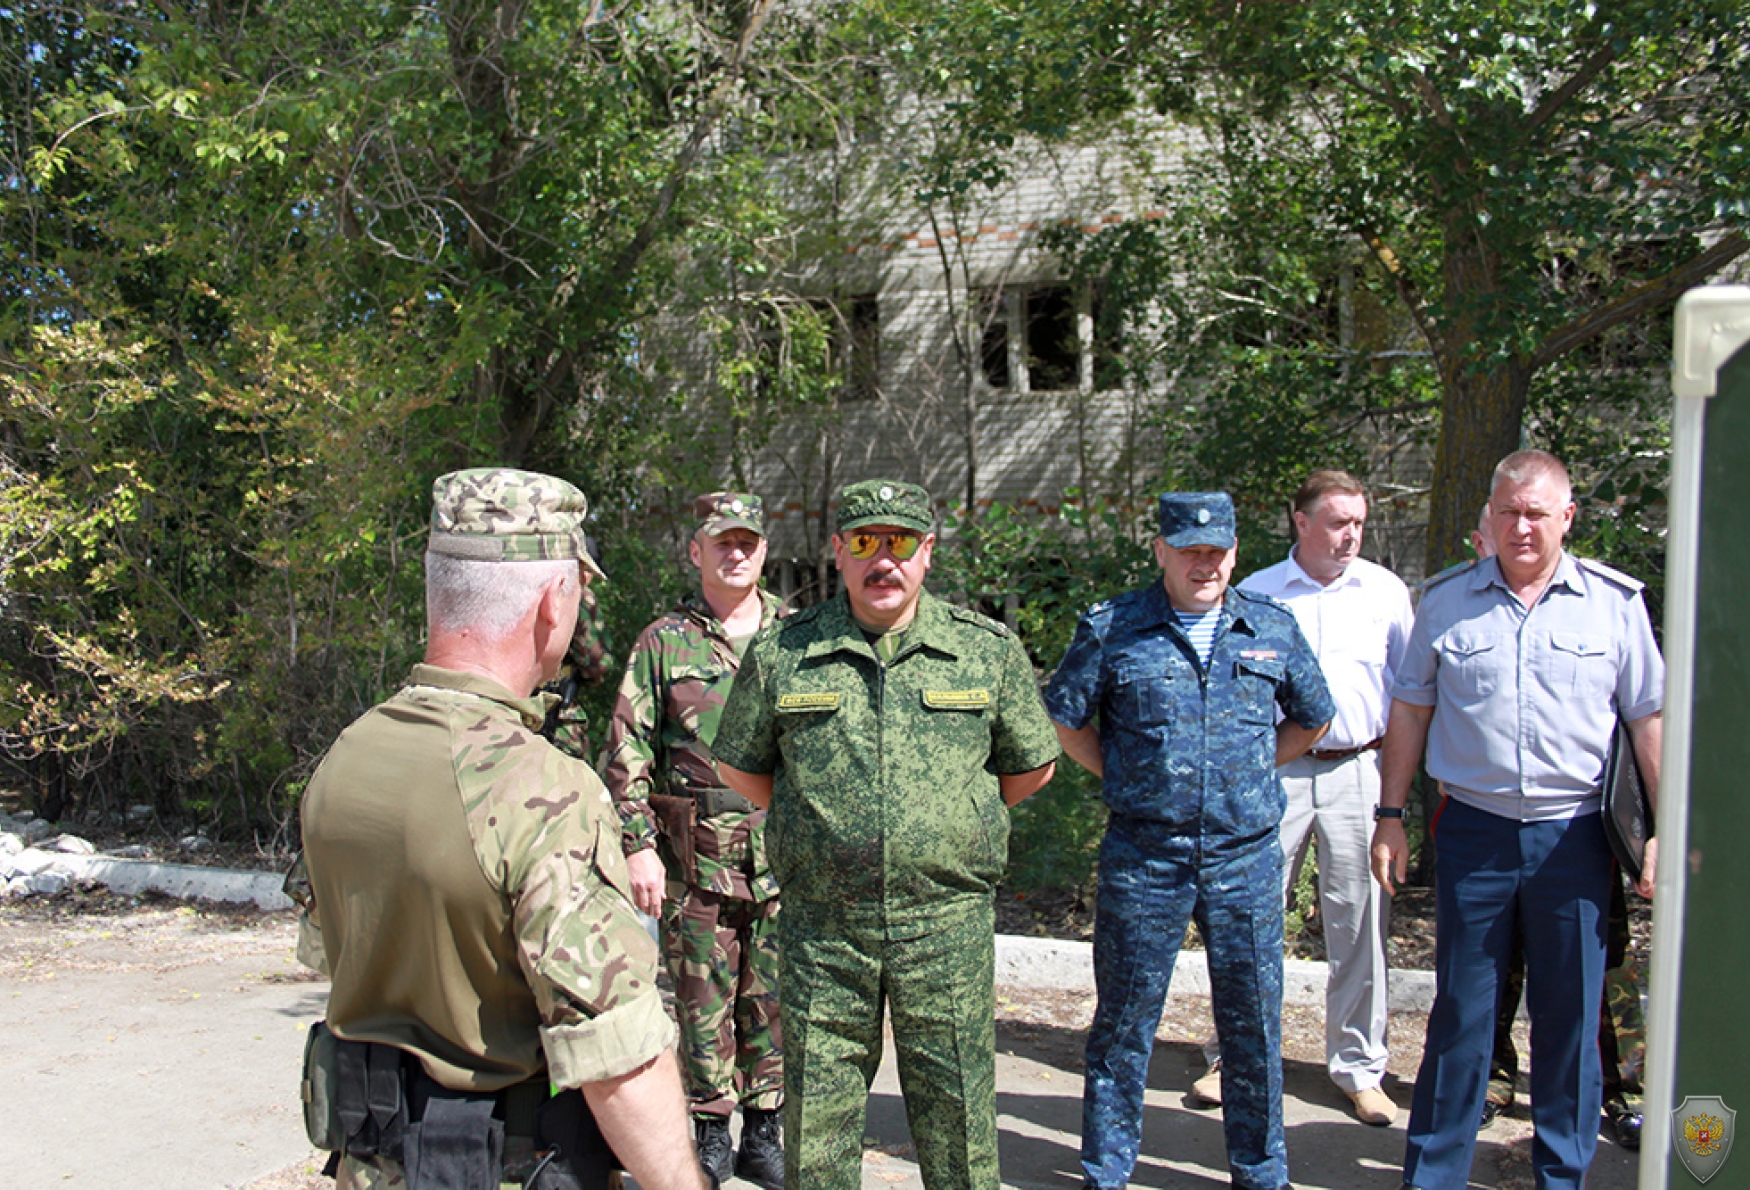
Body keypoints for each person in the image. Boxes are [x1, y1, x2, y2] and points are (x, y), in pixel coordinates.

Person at [299, 468, 707, 1190]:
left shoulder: (346, 756)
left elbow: (331, 954)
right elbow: (615, 1054)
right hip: (502, 1166)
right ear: (554, 602)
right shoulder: (541, 789)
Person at [710, 479, 1061, 1190]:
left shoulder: (984, 650)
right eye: (865, 542)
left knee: (959, 1119)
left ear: (927, 551)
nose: (883, 561)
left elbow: (1031, 769)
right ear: (838, 552)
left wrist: (947, 825)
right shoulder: (786, 651)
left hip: (946, 925)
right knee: (818, 1134)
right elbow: (741, 765)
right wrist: (824, 825)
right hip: (823, 929)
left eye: (899, 542)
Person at [1371, 450, 1662, 1190]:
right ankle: (1433, 1175)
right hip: (1476, 834)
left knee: (1569, 1021)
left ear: (1568, 517)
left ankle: (1561, 1175)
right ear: (1488, 520)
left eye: (1537, 512)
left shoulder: (1615, 604)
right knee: (1463, 1017)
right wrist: (1390, 814)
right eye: (1509, 512)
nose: (1522, 526)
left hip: (1575, 838)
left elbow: (1648, 721)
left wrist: (1664, 829)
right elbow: (1410, 710)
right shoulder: (1443, 601)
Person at [1045, 491, 1335, 1190]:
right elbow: (1066, 718)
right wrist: (1121, 774)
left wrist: (1249, 771)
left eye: (1217, 552)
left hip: (1245, 857)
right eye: (1190, 551)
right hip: (1145, 856)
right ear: (1162, 551)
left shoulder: (1271, 626)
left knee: (1255, 1024)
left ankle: (1260, 1171)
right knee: (1123, 1022)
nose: (1204, 564)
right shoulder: (1114, 628)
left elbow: (1314, 716)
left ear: (1234, 553)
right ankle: (1107, 1169)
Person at [1191, 470, 1411, 1128]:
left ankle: (1360, 1067)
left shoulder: (1386, 594)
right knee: (1250, 916)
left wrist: (1399, 803)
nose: (1351, 536)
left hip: (1359, 769)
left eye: (1360, 524)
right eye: (1339, 522)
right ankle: (1236, 1058)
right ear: (1301, 521)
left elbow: (1410, 701)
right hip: (1272, 772)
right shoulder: (1254, 594)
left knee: (1362, 920)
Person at [599, 492, 787, 1188]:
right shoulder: (664, 641)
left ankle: (765, 1131)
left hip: (782, 858)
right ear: (696, 552)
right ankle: (709, 1130)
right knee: (701, 1000)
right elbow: (626, 750)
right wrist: (637, 843)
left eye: (747, 542)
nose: (735, 553)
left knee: (772, 999)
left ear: (764, 551)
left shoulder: (796, 638)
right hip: (696, 860)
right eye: (721, 543)